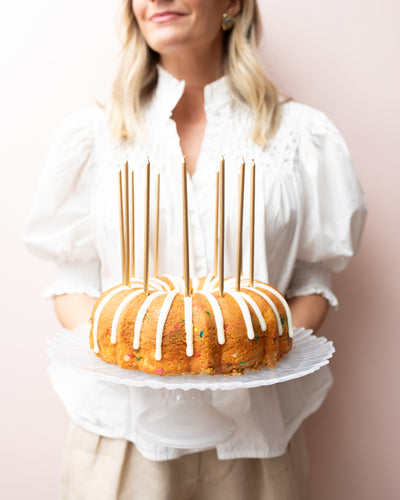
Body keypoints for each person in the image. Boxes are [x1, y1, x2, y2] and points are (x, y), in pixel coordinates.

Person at [25, 0, 367, 499]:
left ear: (231, 3)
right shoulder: (97, 135)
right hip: (124, 433)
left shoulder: (298, 135)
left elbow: (313, 279)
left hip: (256, 436)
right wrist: (143, 355)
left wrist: (249, 347)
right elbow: (73, 283)